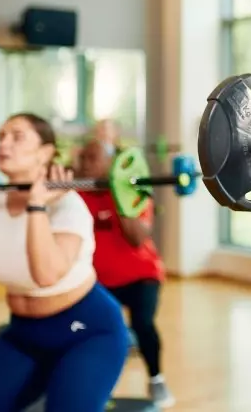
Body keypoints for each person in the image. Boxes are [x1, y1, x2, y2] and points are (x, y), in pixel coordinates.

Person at [0, 112, 129, 412]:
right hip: (24, 335)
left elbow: (46, 274)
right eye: (2, 136)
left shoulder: (68, 206)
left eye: (17, 136)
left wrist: (36, 206)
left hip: (89, 334)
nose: (4, 143)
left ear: (45, 152)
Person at [76, 139, 174, 408]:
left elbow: (136, 238)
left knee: (142, 324)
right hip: (99, 281)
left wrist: (121, 196)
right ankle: (95, 387)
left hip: (141, 275)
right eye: (82, 158)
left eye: (93, 158)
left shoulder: (135, 189)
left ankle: (156, 379)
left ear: (111, 164)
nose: (85, 164)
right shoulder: (75, 195)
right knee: (87, 331)